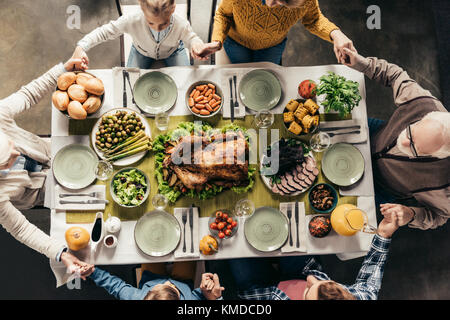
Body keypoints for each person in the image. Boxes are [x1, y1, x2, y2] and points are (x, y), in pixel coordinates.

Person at [0, 57, 92, 277]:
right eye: (7, 161)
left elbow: (29, 93)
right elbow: (21, 229)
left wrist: (62, 69)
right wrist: (63, 254)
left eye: (11, 145)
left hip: (56, 152)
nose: (16, 152)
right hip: (47, 194)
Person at [342, 47, 450, 230]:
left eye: (414, 148)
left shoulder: (444, 185)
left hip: (380, 186)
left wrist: (411, 214)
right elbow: (393, 74)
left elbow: (439, 217)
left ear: (440, 156)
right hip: (373, 133)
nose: (404, 142)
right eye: (411, 131)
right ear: (426, 117)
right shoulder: (424, 103)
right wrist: (363, 64)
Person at [229, 215, 400, 300]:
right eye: (321, 282)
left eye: (307, 290)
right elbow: (369, 284)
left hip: (261, 293)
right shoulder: (353, 297)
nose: (310, 279)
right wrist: (383, 235)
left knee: (233, 245)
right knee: (288, 228)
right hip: (299, 270)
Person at [195, 0, 354, 65]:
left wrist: (336, 34)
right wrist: (216, 41)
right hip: (236, 43)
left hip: (273, 45)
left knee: (268, 79)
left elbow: (313, 19)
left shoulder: (306, 1)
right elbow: (223, 14)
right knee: (243, 74)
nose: (271, 5)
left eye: (282, 4)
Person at [71, 0, 207, 69]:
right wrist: (81, 46)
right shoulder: (131, 20)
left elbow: (192, 38)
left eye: (164, 24)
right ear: (142, 9)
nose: (158, 29)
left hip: (174, 52)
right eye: (151, 23)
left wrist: (197, 45)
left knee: (185, 83)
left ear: (173, 9)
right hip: (140, 52)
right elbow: (104, 32)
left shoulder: (180, 24)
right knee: (131, 83)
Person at [85, 262, 225, 300]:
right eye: (170, 286)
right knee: (189, 250)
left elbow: (114, 285)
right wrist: (211, 295)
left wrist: (91, 271)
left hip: (151, 276)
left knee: (149, 250)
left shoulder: (136, 297)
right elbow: (204, 296)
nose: (168, 281)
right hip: (184, 281)